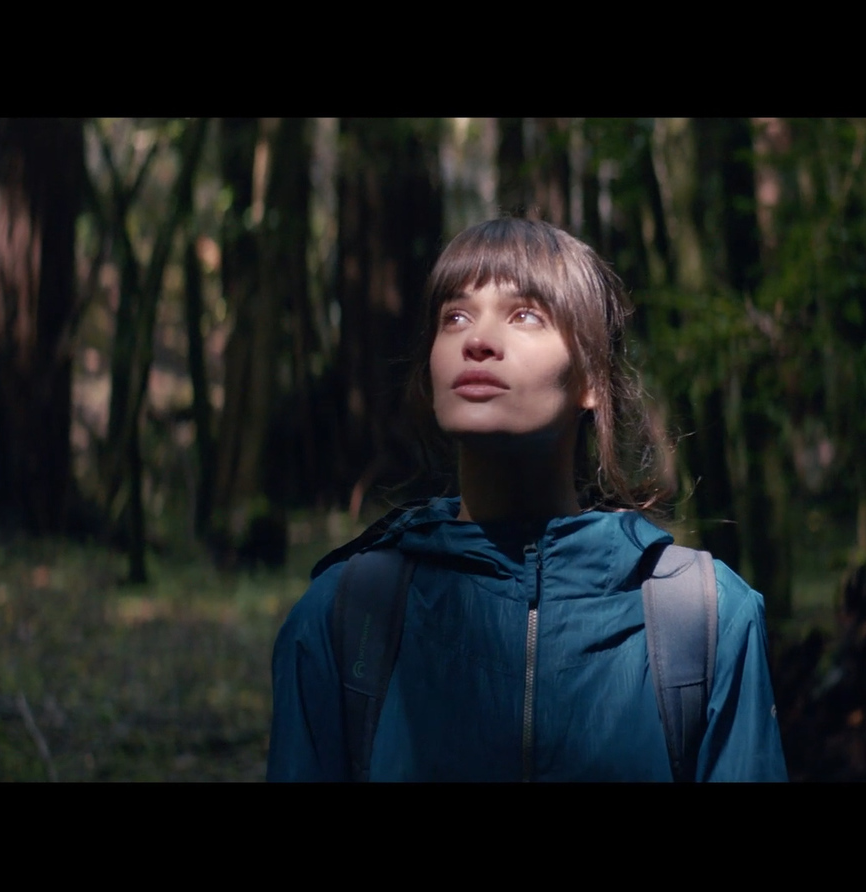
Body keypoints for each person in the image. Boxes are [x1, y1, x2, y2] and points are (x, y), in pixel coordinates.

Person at [267, 216, 787, 781]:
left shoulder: (704, 620)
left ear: (592, 378)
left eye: (525, 315)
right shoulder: (343, 619)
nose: (477, 340)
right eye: (455, 316)